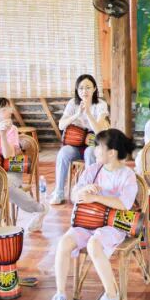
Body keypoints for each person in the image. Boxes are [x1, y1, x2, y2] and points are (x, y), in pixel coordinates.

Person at [48, 129, 138, 300]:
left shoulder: (127, 175)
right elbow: (74, 195)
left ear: (111, 153)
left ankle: (112, 297)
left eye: (98, 147)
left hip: (114, 225)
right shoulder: (93, 169)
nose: (94, 150)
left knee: (94, 244)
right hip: (87, 222)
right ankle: (60, 295)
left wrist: (96, 197)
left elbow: (124, 204)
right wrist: (83, 191)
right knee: (64, 243)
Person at [0, 97, 48, 232]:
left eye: (9, 108)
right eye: (5, 109)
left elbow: (8, 155)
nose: (11, 111)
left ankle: (39, 209)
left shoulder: (12, 129)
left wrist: (2, 134)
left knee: (5, 185)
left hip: (11, 165)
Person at [49, 74, 110, 205]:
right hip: (75, 144)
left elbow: (100, 132)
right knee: (63, 152)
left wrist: (88, 113)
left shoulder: (101, 104)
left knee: (90, 152)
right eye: (81, 88)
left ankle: (88, 192)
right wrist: (77, 114)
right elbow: (61, 125)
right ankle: (59, 193)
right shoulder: (73, 103)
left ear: (94, 88)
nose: (84, 91)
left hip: (93, 143)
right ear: (77, 90)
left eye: (88, 87)